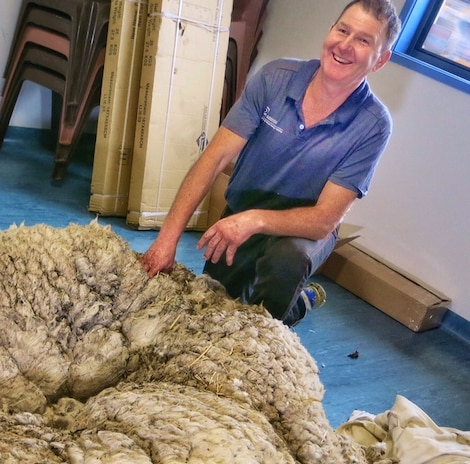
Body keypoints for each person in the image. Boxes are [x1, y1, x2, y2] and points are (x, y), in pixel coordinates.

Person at [139, 0, 401, 326]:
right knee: (213, 310)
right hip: (243, 212)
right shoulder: (276, 78)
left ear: (381, 60)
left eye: (364, 41)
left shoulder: (374, 125)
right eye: (342, 30)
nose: (345, 45)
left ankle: (279, 316)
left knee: (280, 275)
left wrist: (254, 221)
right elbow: (215, 157)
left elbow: (322, 221)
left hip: (301, 232)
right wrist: (167, 239)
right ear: (330, 30)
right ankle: (300, 302)